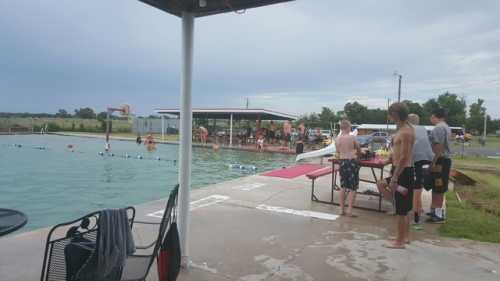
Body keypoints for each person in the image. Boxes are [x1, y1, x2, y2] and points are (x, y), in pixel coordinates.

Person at [379, 102, 415, 249]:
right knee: (381, 184)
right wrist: (388, 161)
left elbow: (405, 157)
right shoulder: (402, 129)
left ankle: (399, 241)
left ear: (395, 114)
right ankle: (404, 237)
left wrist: (394, 178)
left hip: (403, 172)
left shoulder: (407, 131)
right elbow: (397, 153)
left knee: (402, 211)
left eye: (389, 114)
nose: (388, 117)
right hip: (398, 169)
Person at [426, 108, 452, 224]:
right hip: (444, 160)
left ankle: (438, 215)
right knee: (437, 187)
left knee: (438, 187)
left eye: (431, 116)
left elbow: (439, 147)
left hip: (440, 160)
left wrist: (433, 162)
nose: (430, 119)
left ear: (435, 116)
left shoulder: (438, 128)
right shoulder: (446, 126)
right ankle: (434, 210)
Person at [408, 113, 434, 226]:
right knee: (420, 188)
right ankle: (420, 209)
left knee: (416, 191)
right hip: (428, 161)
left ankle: (416, 219)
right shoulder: (422, 128)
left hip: (418, 161)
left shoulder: (409, 129)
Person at [335, 120, 361, 217]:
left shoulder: (337, 139)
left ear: (341, 128)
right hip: (351, 162)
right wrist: (358, 156)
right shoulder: (352, 137)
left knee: (343, 186)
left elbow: (338, 151)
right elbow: (358, 149)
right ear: (348, 128)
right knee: (353, 188)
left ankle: (341, 209)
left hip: (342, 162)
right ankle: (349, 210)